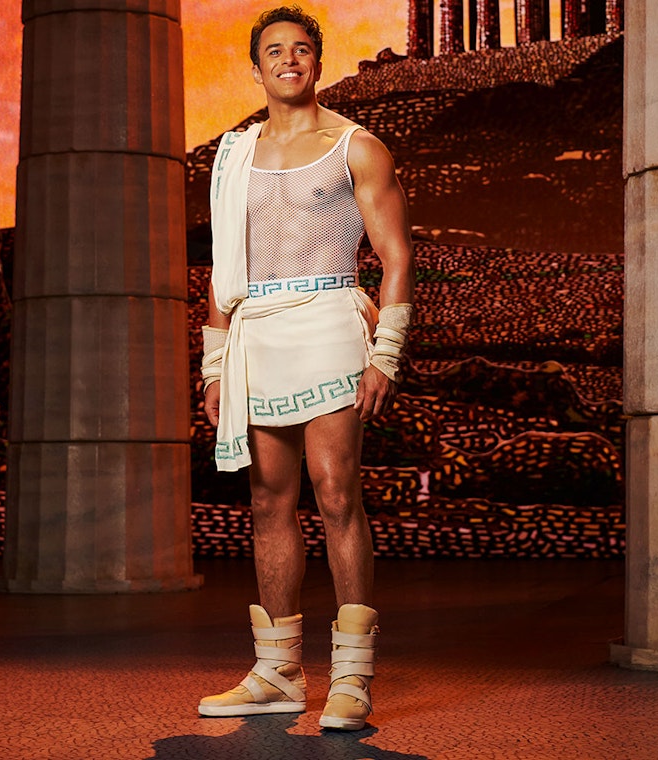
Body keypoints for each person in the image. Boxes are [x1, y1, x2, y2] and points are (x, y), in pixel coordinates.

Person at [195, 5, 416, 732]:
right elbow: (225, 267)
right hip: (258, 330)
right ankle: (279, 671)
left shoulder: (356, 146)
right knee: (267, 500)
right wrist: (213, 364)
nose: (288, 60)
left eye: (301, 49)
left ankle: (352, 678)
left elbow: (396, 255)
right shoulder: (233, 156)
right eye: (274, 51)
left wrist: (385, 349)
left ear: (316, 63)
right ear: (256, 68)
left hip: (327, 321)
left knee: (335, 491)